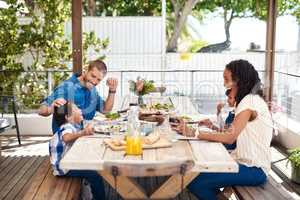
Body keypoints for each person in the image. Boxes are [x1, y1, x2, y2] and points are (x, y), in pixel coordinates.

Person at [172, 59, 273, 200]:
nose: (224, 83)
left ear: (238, 80)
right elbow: (229, 133)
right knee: (195, 175)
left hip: (254, 169)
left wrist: (194, 132)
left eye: (226, 78)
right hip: (241, 162)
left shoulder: (249, 102)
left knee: (194, 180)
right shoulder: (249, 100)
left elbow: (229, 137)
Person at [38, 59, 118, 133]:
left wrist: (112, 90)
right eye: (93, 76)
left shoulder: (93, 90)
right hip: (66, 140)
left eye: (98, 80)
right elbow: (41, 110)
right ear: (85, 71)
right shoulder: (66, 87)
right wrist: (50, 109)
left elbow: (106, 110)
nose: (94, 81)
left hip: (85, 134)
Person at [49, 102, 105, 199]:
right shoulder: (66, 127)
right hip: (63, 168)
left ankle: (88, 195)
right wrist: (83, 133)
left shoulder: (73, 126)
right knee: (94, 175)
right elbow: (66, 137)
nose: (80, 111)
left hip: (66, 164)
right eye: (77, 109)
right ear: (68, 117)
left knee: (92, 165)